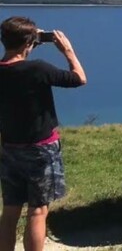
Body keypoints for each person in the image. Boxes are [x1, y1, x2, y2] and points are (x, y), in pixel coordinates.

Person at [0, 17, 87, 251]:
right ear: (29, 43)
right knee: (37, 211)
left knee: (9, 212)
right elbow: (80, 78)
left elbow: (15, 64)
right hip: (41, 149)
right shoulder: (38, 69)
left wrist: (27, 44)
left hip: (9, 148)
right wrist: (67, 50)